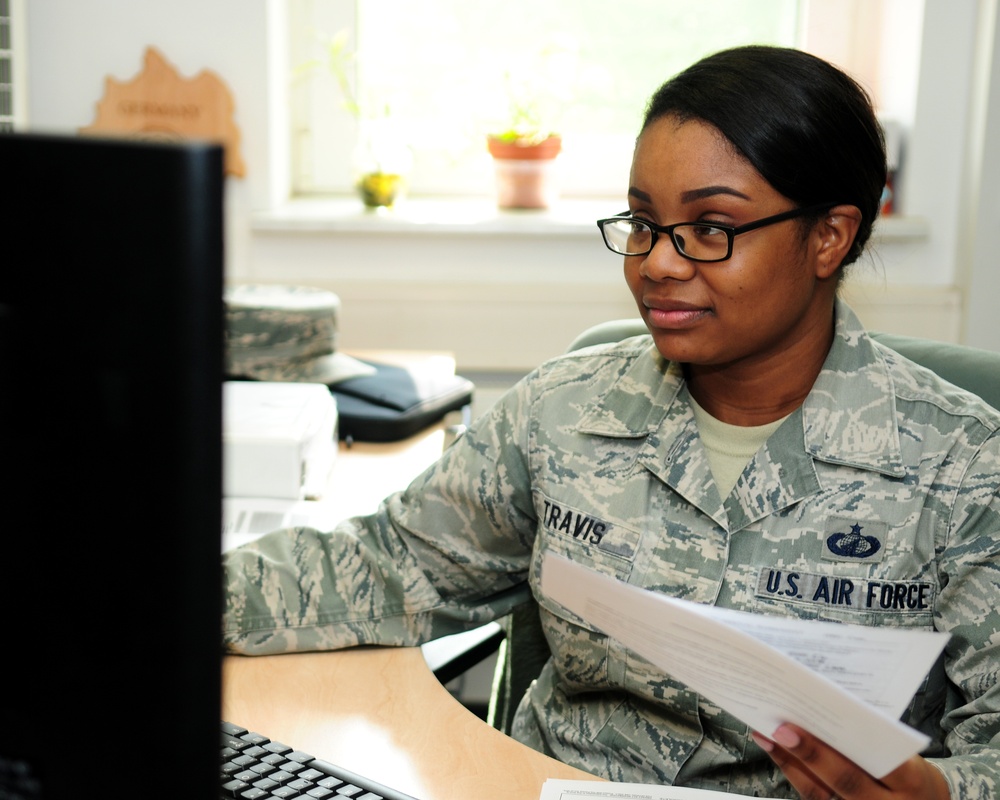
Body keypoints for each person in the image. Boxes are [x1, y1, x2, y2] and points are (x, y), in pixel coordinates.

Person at [223, 45, 1000, 799]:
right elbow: (385, 565)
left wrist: (939, 796)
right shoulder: (564, 412)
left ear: (828, 236)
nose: (657, 262)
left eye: (710, 228)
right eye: (641, 223)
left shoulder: (964, 468)